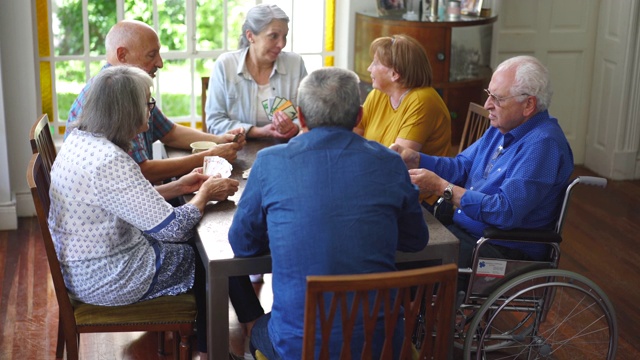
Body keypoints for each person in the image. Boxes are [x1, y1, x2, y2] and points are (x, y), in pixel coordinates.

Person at [228, 67, 429, 359]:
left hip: (300, 347)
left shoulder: (270, 161)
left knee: (259, 327)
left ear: (301, 115)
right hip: (381, 347)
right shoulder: (390, 163)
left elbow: (242, 245)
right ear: (359, 116)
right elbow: (415, 241)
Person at [49, 65, 245, 357]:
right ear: (127, 110)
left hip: (82, 269)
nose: (151, 109)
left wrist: (179, 187)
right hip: (108, 277)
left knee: (202, 244)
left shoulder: (79, 142)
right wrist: (205, 194)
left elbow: (122, 201)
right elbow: (174, 229)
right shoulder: (110, 161)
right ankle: (215, 349)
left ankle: (219, 339)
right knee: (211, 257)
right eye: (148, 102)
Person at [390, 55, 574, 282]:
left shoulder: (543, 145)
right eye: (489, 95)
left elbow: (504, 212)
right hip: (468, 232)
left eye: (497, 99)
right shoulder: (502, 127)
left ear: (529, 105)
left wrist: (443, 188)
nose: (487, 105)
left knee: (401, 260)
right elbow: (461, 167)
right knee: (394, 239)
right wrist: (417, 159)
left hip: (499, 249)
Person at [65, 19, 246, 184]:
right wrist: (208, 157)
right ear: (122, 55)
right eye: (151, 55)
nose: (160, 63)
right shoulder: (115, 96)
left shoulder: (129, 86)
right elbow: (141, 171)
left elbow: (169, 132)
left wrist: (219, 140)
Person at [354, 34, 451, 208]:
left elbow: (397, 164)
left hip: (420, 201)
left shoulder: (422, 101)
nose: (369, 68)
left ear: (395, 74)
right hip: (380, 186)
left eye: (375, 63)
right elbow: (354, 137)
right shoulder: (379, 94)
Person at [204, 4, 307, 139]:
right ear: (250, 36)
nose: (281, 44)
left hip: (286, 150)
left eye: (285, 36)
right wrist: (257, 131)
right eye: (273, 36)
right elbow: (214, 123)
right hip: (237, 150)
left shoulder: (295, 63)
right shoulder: (225, 65)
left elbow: (309, 115)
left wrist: (295, 127)